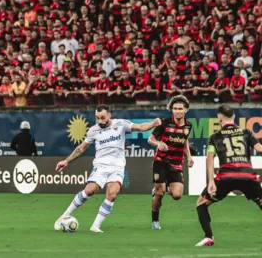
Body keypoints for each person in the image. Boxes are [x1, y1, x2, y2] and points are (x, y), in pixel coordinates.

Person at [54, 104, 161, 233]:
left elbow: (139, 127)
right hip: (101, 166)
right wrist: (66, 161)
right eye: (97, 118)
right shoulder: (93, 130)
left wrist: (153, 123)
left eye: (102, 118)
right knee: (89, 190)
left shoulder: (120, 124)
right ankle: (64, 215)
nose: (100, 121)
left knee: (112, 194)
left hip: (117, 167)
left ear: (109, 115)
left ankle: (95, 226)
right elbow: (81, 148)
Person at [195, 105, 262, 246]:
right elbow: (259, 149)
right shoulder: (246, 132)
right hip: (247, 176)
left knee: (201, 203)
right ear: (234, 117)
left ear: (219, 118)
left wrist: (211, 181)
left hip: (225, 177)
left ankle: (209, 236)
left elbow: (210, 158)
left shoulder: (215, 136)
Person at [147, 95, 194, 230]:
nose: (177, 111)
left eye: (180, 109)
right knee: (160, 194)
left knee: (177, 195)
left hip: (176, 163)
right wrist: (158, 143)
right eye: (174, 108)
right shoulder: (164, 123)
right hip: (160, 161)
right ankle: (155, 221)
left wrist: (189, 157)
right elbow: (150, 139)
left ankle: (163, 187)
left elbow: (184, 141)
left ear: (185, 110)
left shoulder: (188, 125)